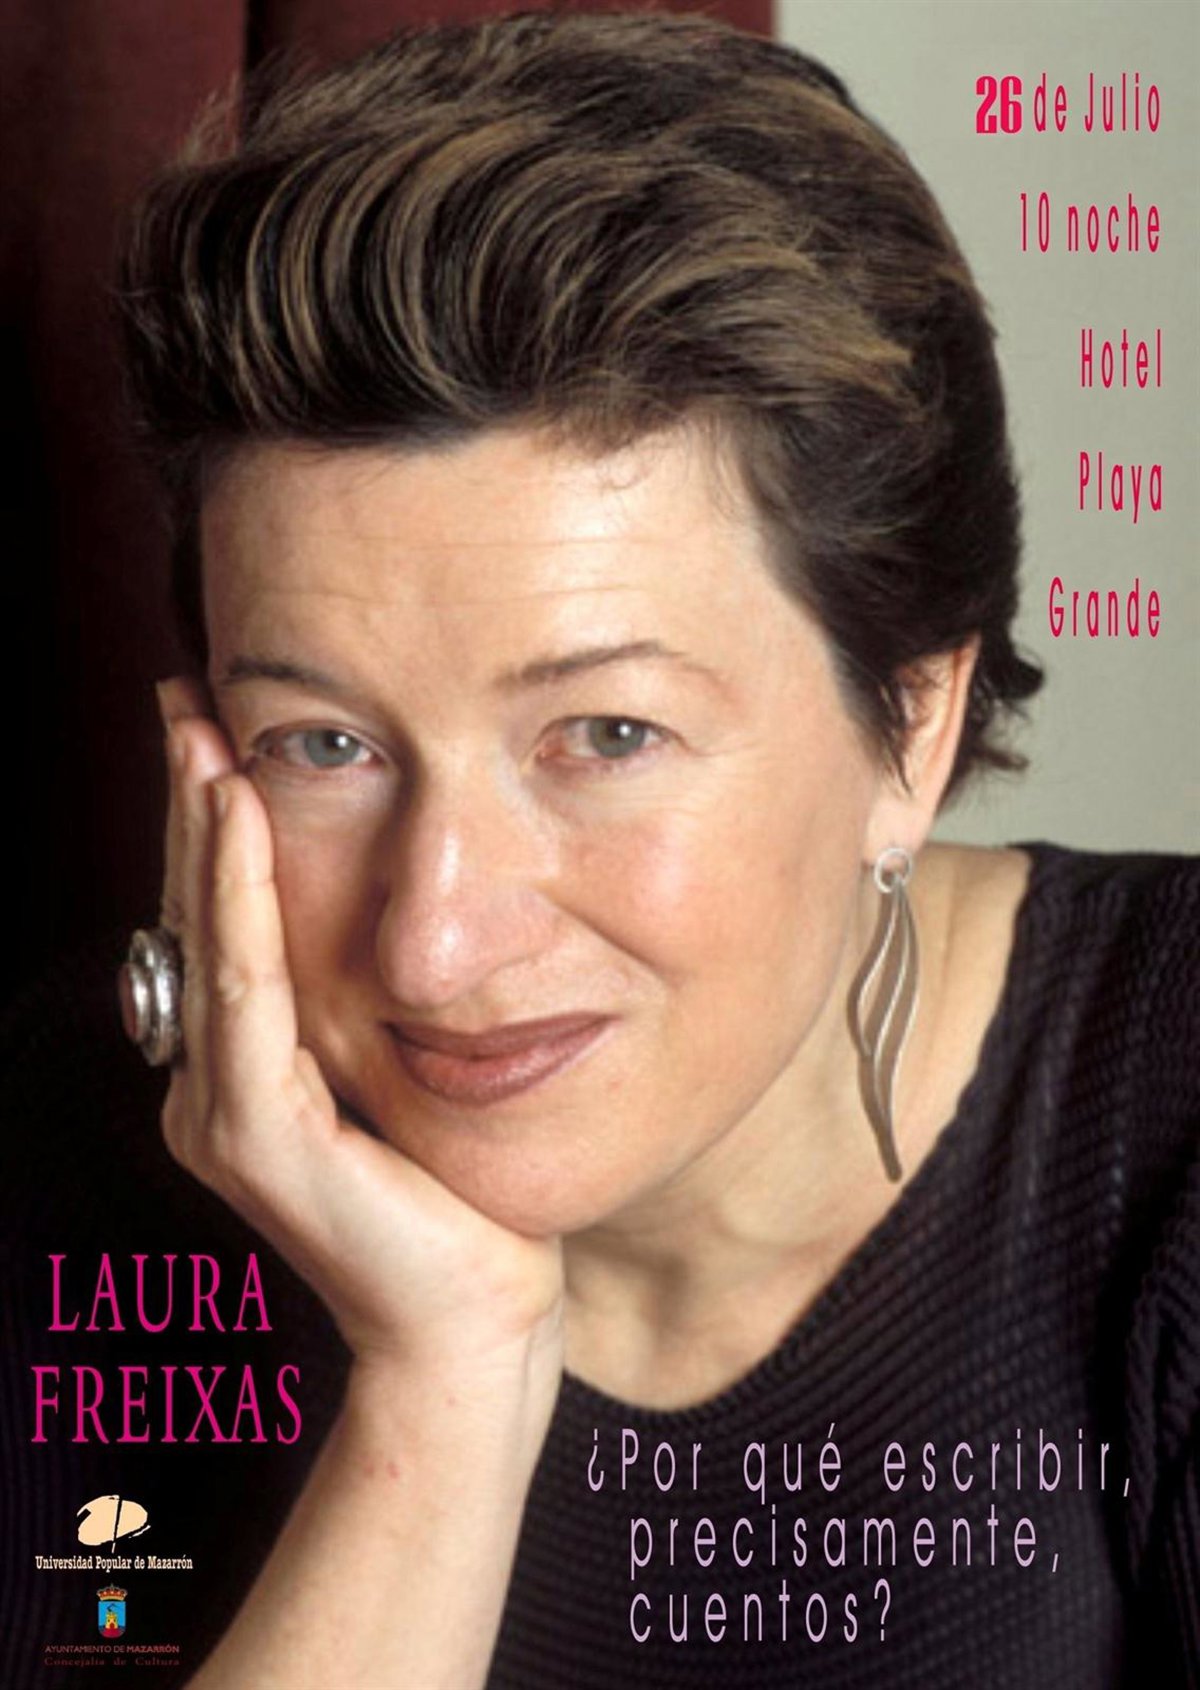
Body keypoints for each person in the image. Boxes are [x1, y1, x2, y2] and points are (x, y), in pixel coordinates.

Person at [9, 12, 1197, 1687]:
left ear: (910, 727)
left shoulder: (1170, 1111)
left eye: (608, 735)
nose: (433, 942)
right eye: (325, 744)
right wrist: (445, 1380)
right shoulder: (71, 1168)